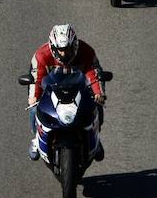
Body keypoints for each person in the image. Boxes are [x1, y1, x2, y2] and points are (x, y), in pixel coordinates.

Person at [27, 23, 106, 161]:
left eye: (68, 49)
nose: (64, 54)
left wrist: (98, 93)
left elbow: (93, 73)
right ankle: (36, 139)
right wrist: (34, 97)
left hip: (79, 89)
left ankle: (95, 138)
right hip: (51, 91)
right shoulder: (41, 55)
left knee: (97, 107)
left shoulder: (87, 52)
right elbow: (36, 79)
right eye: (60, 50)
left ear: (74, 45)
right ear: (53, 47)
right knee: (34, 109)